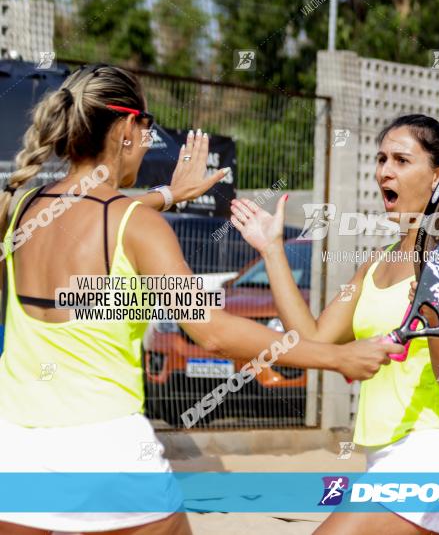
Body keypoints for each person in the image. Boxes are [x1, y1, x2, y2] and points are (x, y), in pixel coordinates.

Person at [0, 63, 402, 535]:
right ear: (128, 127)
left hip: (15, 450)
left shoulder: (22, 209)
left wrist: (169, 194)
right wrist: (334, 357)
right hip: (105, 449)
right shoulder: (135, 225)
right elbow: (211, 332)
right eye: (148, 126)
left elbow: (87, 213)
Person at [231, 114, 439, 535]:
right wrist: (272, 249)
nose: (384, 170)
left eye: (402, 160)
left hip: (433, 455)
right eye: (381, 158)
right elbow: (312, 340)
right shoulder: (376, 263)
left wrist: (433, 303)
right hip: (381, 457)